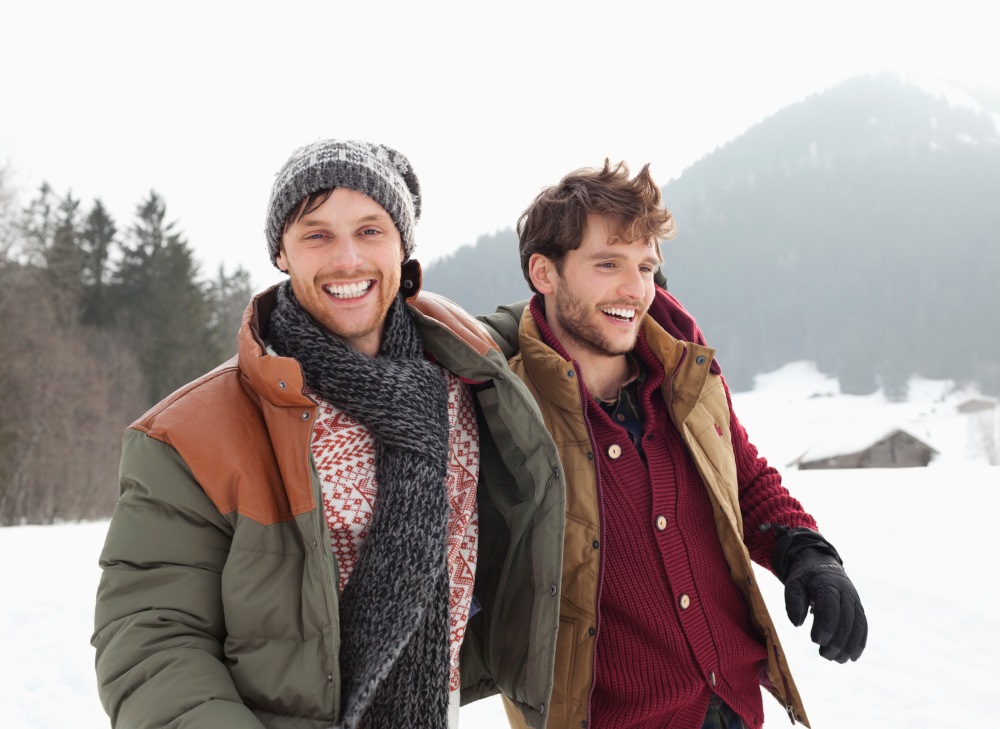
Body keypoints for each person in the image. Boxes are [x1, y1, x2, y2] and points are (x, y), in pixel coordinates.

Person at [91, 139, 566, 729]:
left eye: (370, 230)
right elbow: (152, 640)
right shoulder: (189, 434)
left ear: (403, 248)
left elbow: (588, 304)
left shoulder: (466, 376)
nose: (347, 260)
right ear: (282, 254)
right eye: (316, 234)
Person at [481, 160, 868, 729]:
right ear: (545, 272)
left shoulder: (684, 372)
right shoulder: (504, 411)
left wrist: (805, 552)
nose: (633, 290)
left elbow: (741, 473)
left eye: (645, 266)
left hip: (735, 706)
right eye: (607, 264)